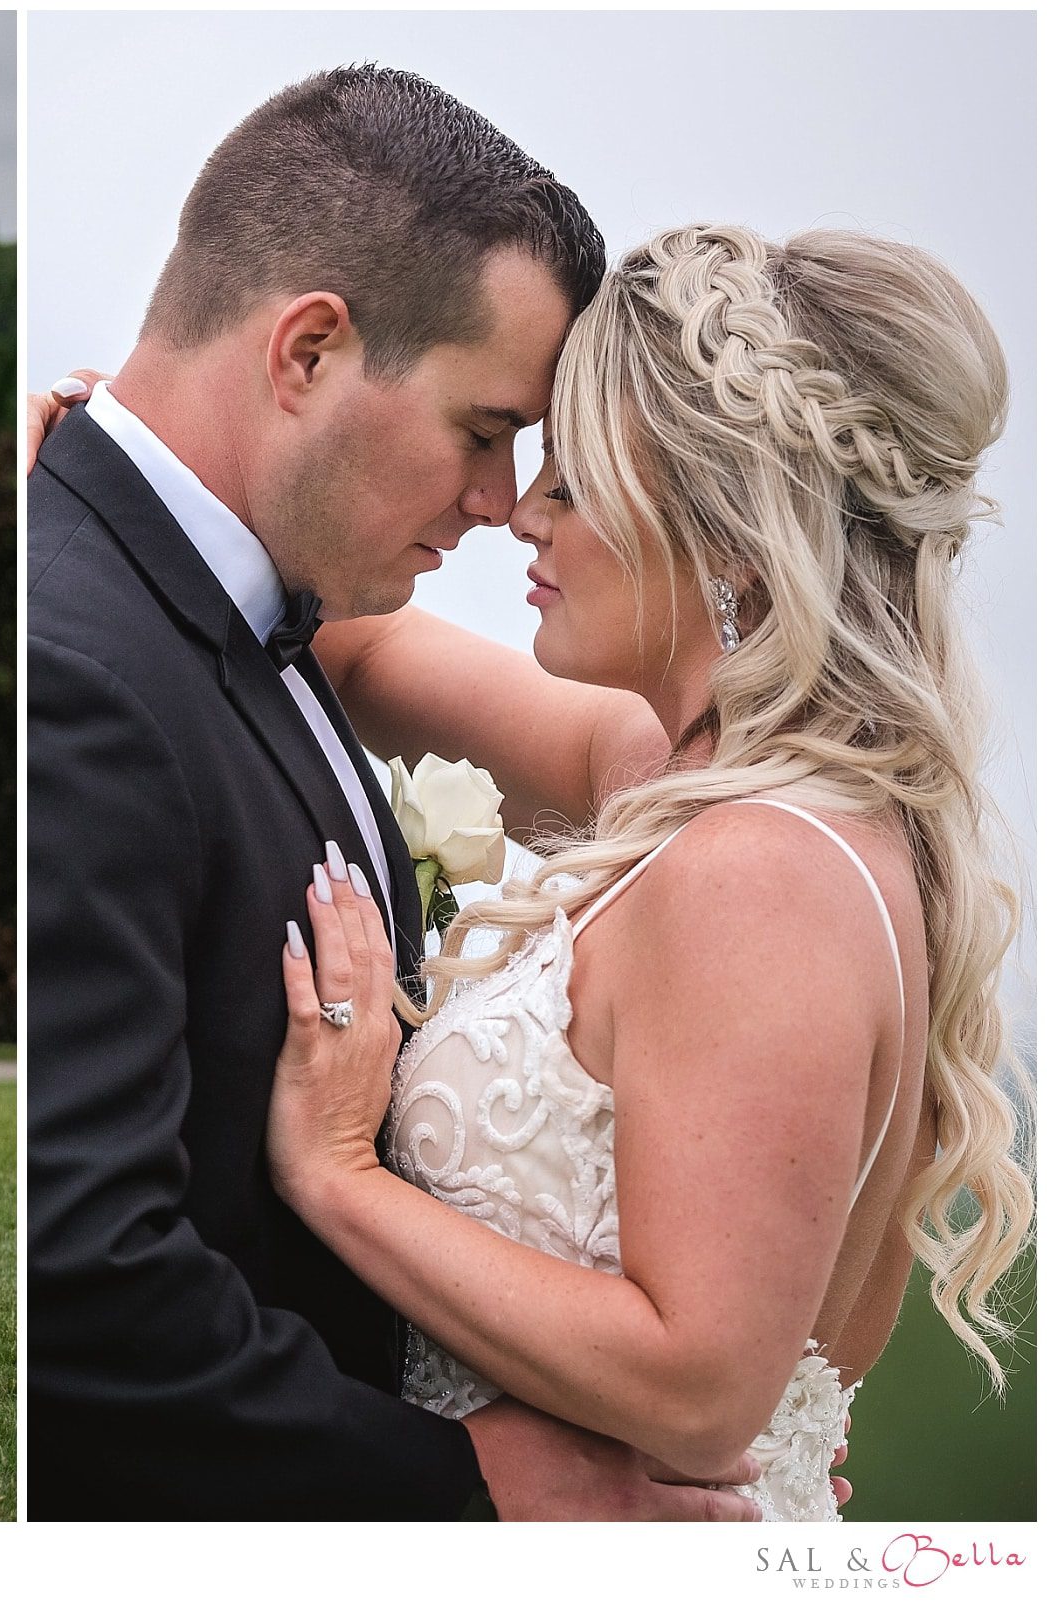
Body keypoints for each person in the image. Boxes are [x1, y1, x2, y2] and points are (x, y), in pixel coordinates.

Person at [28, 65, 765, 1518]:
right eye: (485, 433)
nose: (504, 503)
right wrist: (465, 1481)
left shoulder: (267, 605)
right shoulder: (79, 668)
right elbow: (81, 1269)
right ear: (306, 350)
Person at [261, 222, 1031, 1521]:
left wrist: (339, 1171)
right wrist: (110, 477)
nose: (520, 515)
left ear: (727, 536)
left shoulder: (759, 876)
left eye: (573, 481)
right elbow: (356, 647)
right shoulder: (676, 780)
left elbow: (700, 1388)